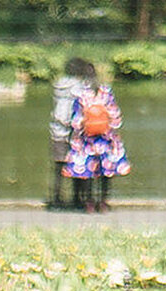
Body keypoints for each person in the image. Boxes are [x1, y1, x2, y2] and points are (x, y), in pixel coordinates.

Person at [61, 61, 128, 213]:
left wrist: (78, 133)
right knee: (106, 172)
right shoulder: (106, 91)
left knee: (87, 173)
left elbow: (76, 121)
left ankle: (89, 203)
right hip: (106, 139)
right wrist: (111, 132)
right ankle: (103, 202)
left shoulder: (81, 95)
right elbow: (115, 117)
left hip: (86, 141)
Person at [47, 56, 87, 210]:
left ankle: (56, 199)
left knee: (58, 169)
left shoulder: (59, 86)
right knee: (78, 167)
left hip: (57, 131)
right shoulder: (80, 87)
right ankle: (77, 199)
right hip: (74, 133)